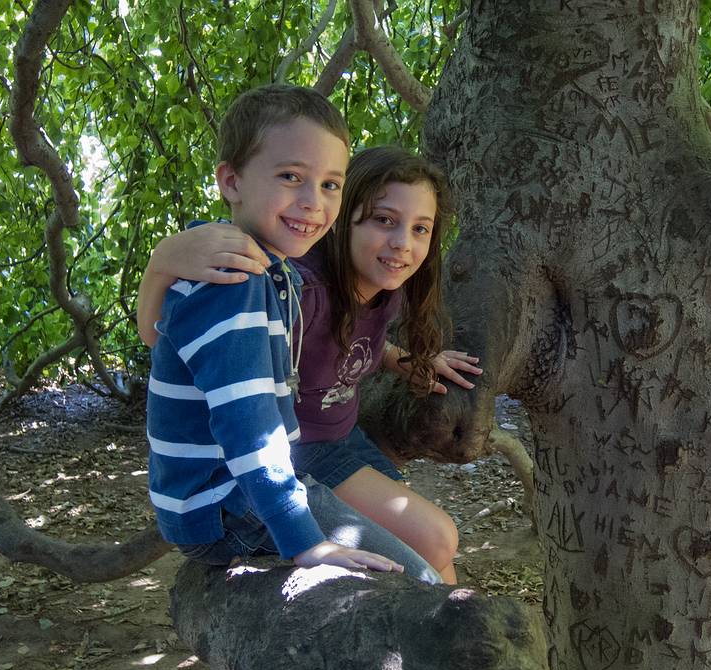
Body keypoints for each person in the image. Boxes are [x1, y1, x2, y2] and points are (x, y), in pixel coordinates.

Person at [139, 146, 482, 584]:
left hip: (343, 437)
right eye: (384, 220)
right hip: (304, 453)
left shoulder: (384, 285)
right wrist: (162, 262)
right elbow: (165, 335)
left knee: (438, 548)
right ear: (342, 217)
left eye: (420, 229)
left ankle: (453, 638)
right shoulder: (302, 290)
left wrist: (409, 361)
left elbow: (357, 345)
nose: (402, 243)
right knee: (437, 540)